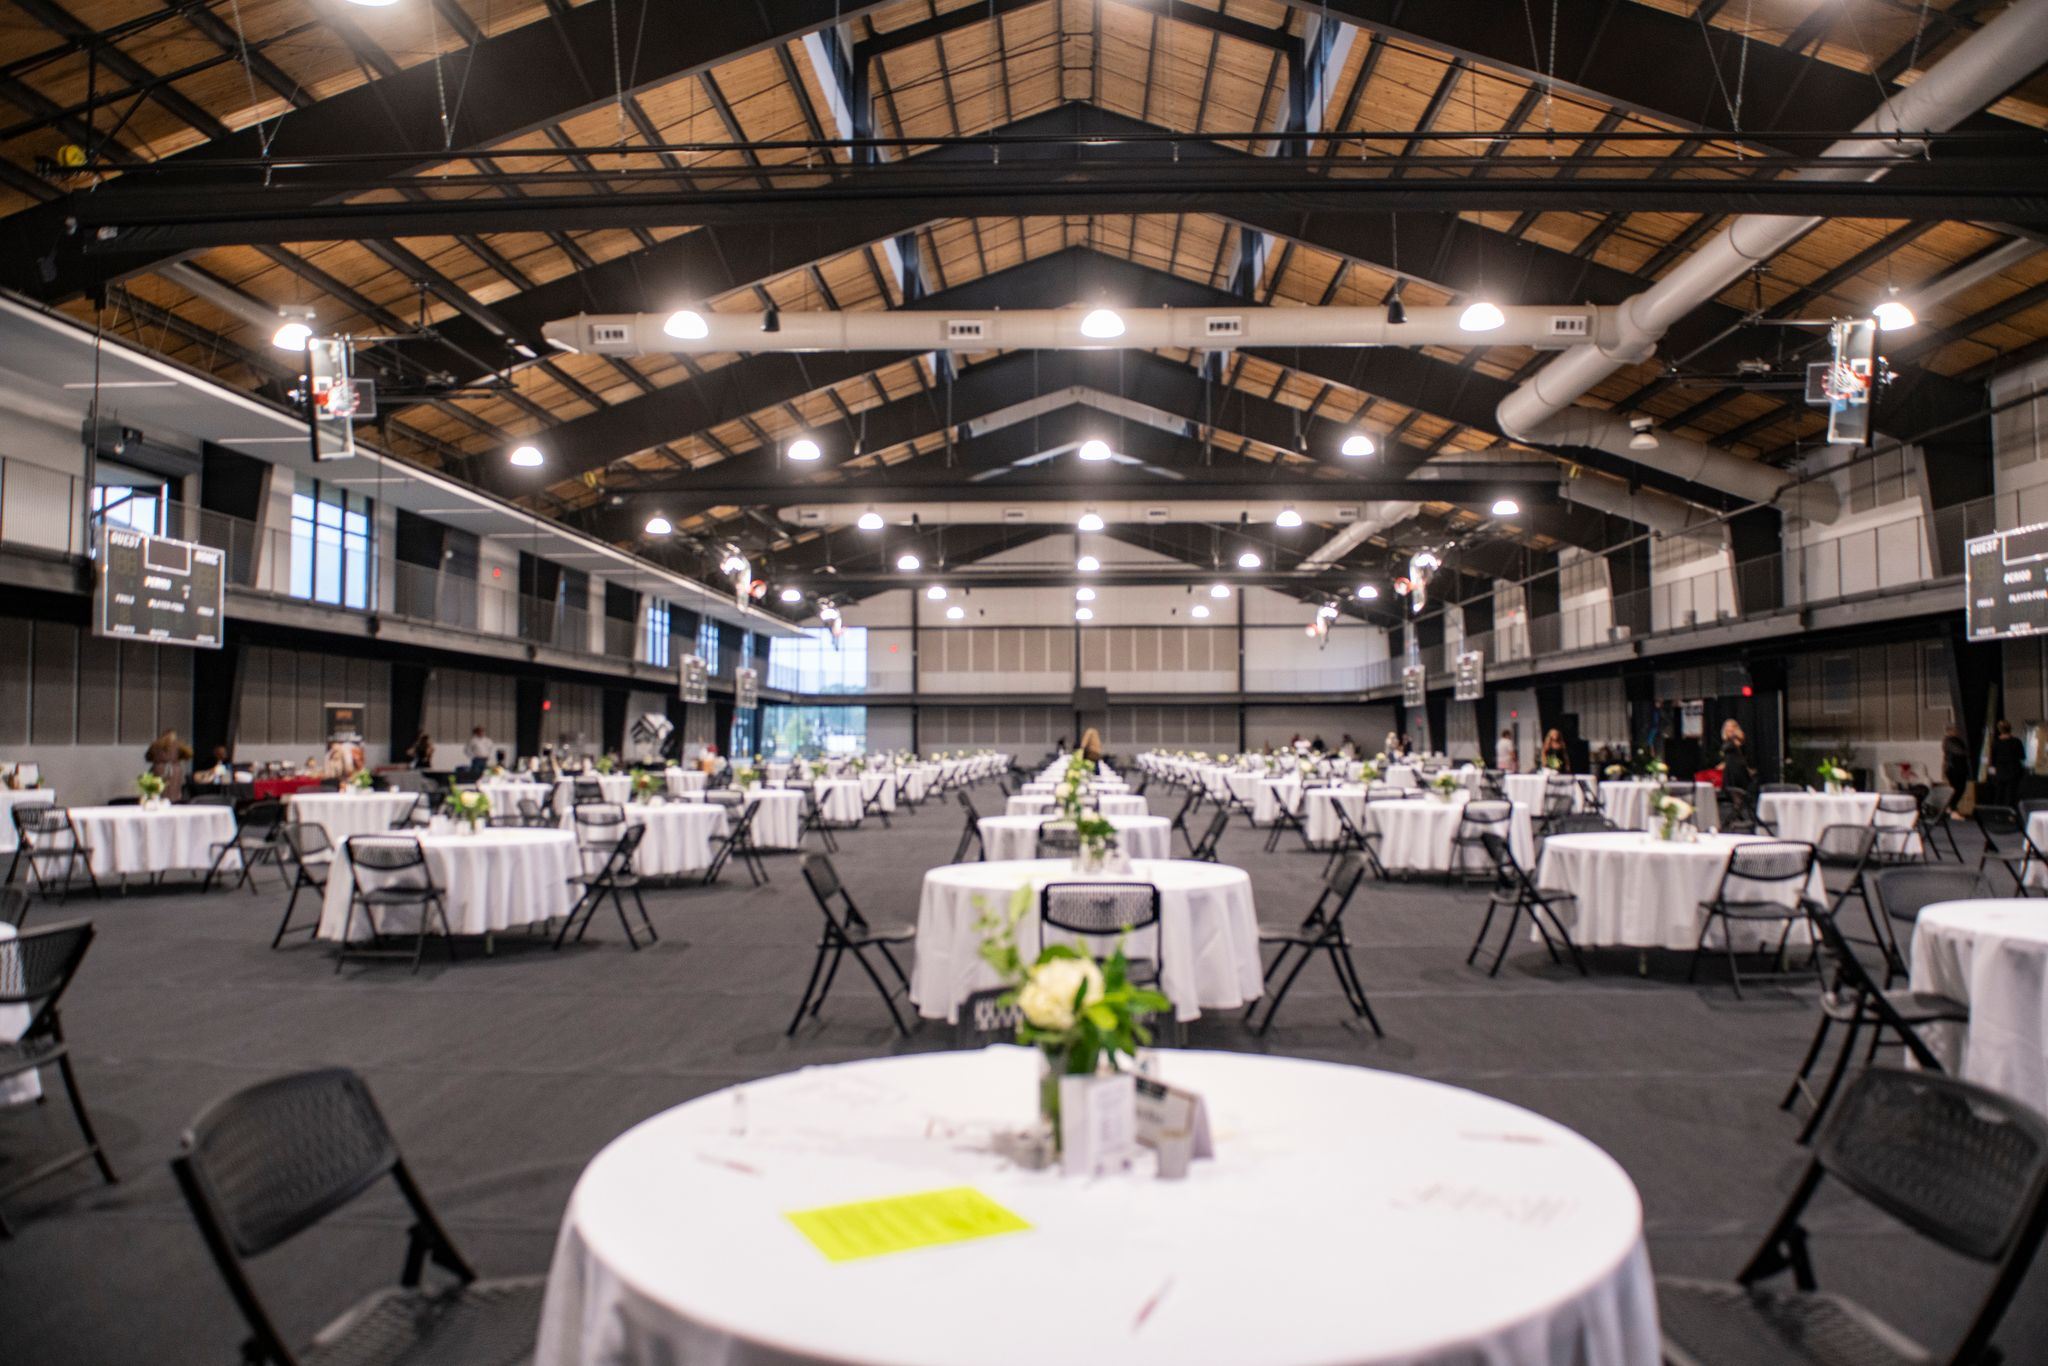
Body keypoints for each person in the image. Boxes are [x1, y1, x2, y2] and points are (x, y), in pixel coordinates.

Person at [146, 729, 192, 802]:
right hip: (175, 769)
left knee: (159, 790)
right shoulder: (178, 744)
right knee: (173, 790)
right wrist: (178, 758)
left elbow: (148, 757)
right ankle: (174, 803)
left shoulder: (155, 744)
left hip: (158, 768)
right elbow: (189, 754)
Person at [1989, 720, 2027, 808]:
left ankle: (1998, 813)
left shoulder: (1995, 743)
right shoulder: (2016, 742)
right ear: (2010, 729)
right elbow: (2022, 756)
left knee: (1999, 794)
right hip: (2014, 771)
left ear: (1999, 730)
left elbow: (1992, 759)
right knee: (2011, 795)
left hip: (2000, 771)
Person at [1719, 719, 1754, 795]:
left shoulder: (1737, 738)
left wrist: (1734, 736)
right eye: (1727, 726)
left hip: (1737, 768)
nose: (1728, 728)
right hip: (1729, 768)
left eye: (1730, 726)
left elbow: (1739, 747)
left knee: (1738, 790)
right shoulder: (1726, 740)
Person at [1941, 723, 1972, 810]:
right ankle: (1951, 807)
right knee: (1957, 789)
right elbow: (1960, 751)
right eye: (1955, 730)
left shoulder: (1956, 740)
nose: (1957, 731)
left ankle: (1952, 807)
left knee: (1960, 788)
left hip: (1959, 768)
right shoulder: (1949, 741)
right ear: (1951, 731)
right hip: (1953, 769)